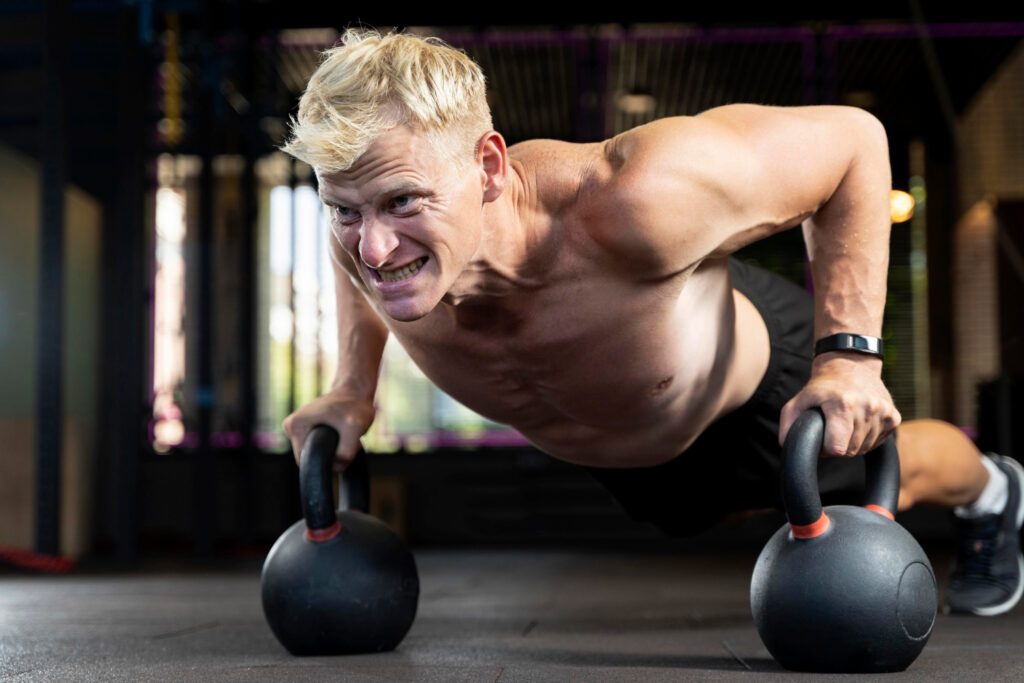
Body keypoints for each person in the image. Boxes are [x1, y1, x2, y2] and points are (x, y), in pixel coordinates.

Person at [280, 29, 1023, 616]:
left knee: (895, 474)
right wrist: (352, 387)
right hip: (635, 456)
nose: (373, 247)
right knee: (714, 515)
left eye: (404, 202)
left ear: (488, 167)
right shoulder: (369, 239)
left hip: (759, 390)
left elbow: (853, 144)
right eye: (344, 208)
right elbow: (358, 260)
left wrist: (850, 360)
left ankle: (995, 490)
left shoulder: (634, 197)